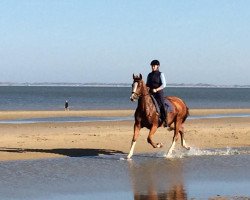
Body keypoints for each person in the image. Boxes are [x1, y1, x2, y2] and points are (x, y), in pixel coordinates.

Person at [146, 60, 168, 127]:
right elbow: (147, 84)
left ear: (157, 66)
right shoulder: (149, 75)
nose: (153, 67)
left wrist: (156, 89)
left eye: (154, 66)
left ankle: (165, 120)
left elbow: (164, 84)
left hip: (158, 93)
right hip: (151, 93)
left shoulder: (161, 74)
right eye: (152, 66)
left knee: (162, 104)